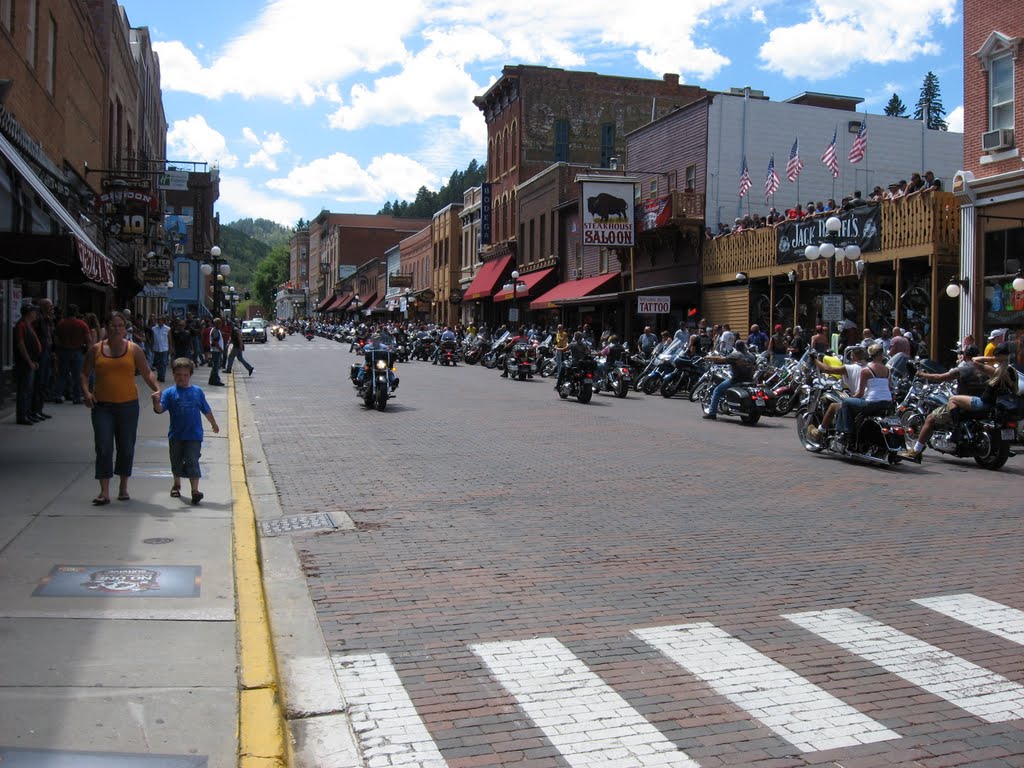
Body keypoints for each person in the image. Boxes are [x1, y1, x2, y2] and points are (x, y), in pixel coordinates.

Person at [79, 311, 160, 505]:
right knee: (104, 447)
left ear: (125, 329)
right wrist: (86, 392)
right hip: (102, 406)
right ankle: (104, 492)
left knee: (126, 448)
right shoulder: (95, 350)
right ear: (106, 327)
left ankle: (123, 487)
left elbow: (147, 373)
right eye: (113, 325)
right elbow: (84, 373)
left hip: (128, 406)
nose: (116, 329)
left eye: (120, 326)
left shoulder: (134, 350)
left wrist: (157, 389)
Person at [901, 343, 1018, 462]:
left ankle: (916, 450)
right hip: (989, 405)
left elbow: (941, 377)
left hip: (976, 403)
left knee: (932, 417)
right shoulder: (1008, 372)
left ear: (965, 355)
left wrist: (921, 374)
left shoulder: (976, 369)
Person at [151, 357, 219, 505]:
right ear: (173, 374)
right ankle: (177, 484)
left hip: (194, 435)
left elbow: (205, 409)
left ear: (190, 375)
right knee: (176, 461)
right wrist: (156, 402)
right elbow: (160, 409)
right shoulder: (169, 393)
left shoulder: (197, 392)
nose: (181, 378)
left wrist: (213, 423)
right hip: (176, 435)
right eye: (178, 375)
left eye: (185, 375)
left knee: (192, 460)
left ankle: (195, 491)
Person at [832, 343, 893, 442]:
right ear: (881, 355)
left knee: (846, 402)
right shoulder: (887, 370)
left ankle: (846, 434)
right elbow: (890, 387)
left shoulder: (866, 370)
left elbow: (860, 393)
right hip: (887, 403)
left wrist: (851, 397)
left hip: (872, 403)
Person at [807, 346, 867, 441]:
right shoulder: (869, 367)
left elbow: (828, 369)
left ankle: (819, 432)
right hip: (870, 399)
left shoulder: (849, 368)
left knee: (833, 406)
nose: (850, 358)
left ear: (854, 357)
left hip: (861, 399)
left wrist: (815, 360)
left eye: (851, 356)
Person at [702, 339, 756, 420]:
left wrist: (709, 357)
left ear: (736, 347)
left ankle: (712, 413)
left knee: (717, 391)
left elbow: (721, 359)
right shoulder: (751, 356)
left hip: (736, 380)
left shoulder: (735, 355)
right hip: (749, 380)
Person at [55, 304, 91, 405]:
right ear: (76, 312)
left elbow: (56, 340)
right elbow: (88, 339)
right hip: (77, 351)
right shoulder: (82, 324)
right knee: (77, 375)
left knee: (62, 374)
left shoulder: (61, 324)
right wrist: (89, 352)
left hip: (64, 351)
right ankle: (77, 396)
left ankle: (58, 394)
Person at [14, 304, 42, 425]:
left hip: (31, 362)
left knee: (28, 390)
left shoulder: (28, 325)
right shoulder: (21, 325)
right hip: (24, 364)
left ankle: (27, 413)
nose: (36, 314)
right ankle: (22, 415)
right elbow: (21, 344)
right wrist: (29, 361)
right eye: (34, 312)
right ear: (29, 313)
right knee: (24, 390)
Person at [150, 316, 171, 382]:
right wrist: (151, 346)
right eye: (158, 320)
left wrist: (171, 347)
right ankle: (159, 374)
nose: (158, 321)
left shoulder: (167, 329)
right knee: (157, 363)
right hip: (156, 348)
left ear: (163, 321)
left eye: (160, 320)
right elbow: (152, 339)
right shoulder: (153, 328)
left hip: (164, 348)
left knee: (163, 362)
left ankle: (162, 376)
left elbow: (169, 339)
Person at [207, 318, 226, 386]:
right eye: (220, 323)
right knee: (216, 366)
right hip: (216, 351)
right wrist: (220, 349)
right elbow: (215, 342)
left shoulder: (217, 330)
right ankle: (215, 380)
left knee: (215, 366)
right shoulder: (215, 331)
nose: (221, 324)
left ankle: (212, 380)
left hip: (216, 350)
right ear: (217, 324)